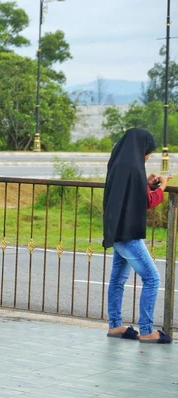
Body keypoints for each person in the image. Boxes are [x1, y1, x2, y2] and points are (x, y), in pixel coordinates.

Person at [103, 127, 172, 344]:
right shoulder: (135, 167)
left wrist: (146, 183)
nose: (148, 155)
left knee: (118, 279)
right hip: (129, 234)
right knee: (152, 279)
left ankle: (115, 326)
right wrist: (162, 186)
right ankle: (147, 330)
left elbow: (131, 194)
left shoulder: (118, 164)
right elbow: (147, 202)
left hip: (116, 231)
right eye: (148, 151)